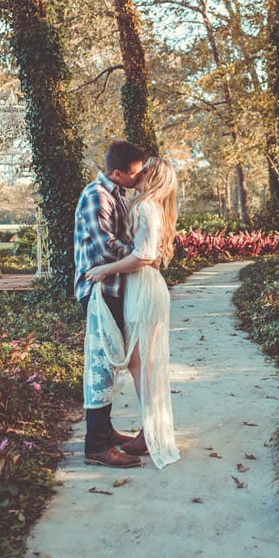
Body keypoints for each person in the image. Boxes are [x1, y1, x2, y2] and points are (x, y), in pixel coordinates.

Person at [85, 157, 181, 470]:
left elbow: (144, 255)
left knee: (142, 367)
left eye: (146, 168)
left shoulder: (144, 206)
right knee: (144, 365)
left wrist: (105, 270)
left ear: (151, 177)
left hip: (144, 289)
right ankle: (152, 431)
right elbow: (147, 254)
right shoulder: (150, 206)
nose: (139, 171)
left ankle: (151, 434)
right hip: (146, 287)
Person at [74, 139, 148, 468]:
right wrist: (138, 256)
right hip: (99, 291)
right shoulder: (96, 195)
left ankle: (104, 430)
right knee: (101, 365)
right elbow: (105, 246)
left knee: (110, 361)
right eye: (134, 173)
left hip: (112, 288)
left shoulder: (116, 194)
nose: (139, 177)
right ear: (117, 173)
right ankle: (97, 446)